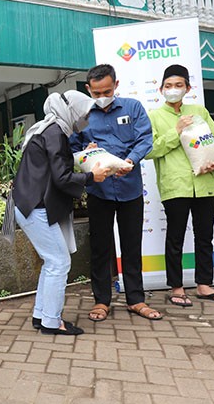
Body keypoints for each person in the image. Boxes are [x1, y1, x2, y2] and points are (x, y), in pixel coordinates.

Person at [69, 64, 162, 322]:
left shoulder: (133, 108)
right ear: (88, 89)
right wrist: (85, 151)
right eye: (96, 92)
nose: (102, 97)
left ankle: (136, 300)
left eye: (107, 91)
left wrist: (130, 161)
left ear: (116, 85)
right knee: (100, 247)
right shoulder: (83, 117)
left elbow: (144, 139)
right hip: (99, 191)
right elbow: (73, 149)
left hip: (130, 189)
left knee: (132, 246)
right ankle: (101, 301)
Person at [12, 90, 108, 336]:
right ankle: (51, 323)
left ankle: (41, 315)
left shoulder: (48, 129)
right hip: (36, 207)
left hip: (28, 205)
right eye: (84, 114)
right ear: (72, 111)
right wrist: (91, 177)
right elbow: (62, 177)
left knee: (52, 261)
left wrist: (85, 156)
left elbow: (54, 164)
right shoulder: (55, 133)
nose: (85, 120)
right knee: (59, 262)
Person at [146, 64, 214, 305]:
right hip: (175, 185)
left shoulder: (199, 111)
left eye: (178, 85)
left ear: (188, 87)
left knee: (205, 235)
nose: (173, 90)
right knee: (175, 237)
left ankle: (204, 285)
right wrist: (176, 131)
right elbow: (150, 150)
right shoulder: (154, 116)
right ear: (160, 88)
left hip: (204, 183)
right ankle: (176, 288)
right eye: (168, 86)